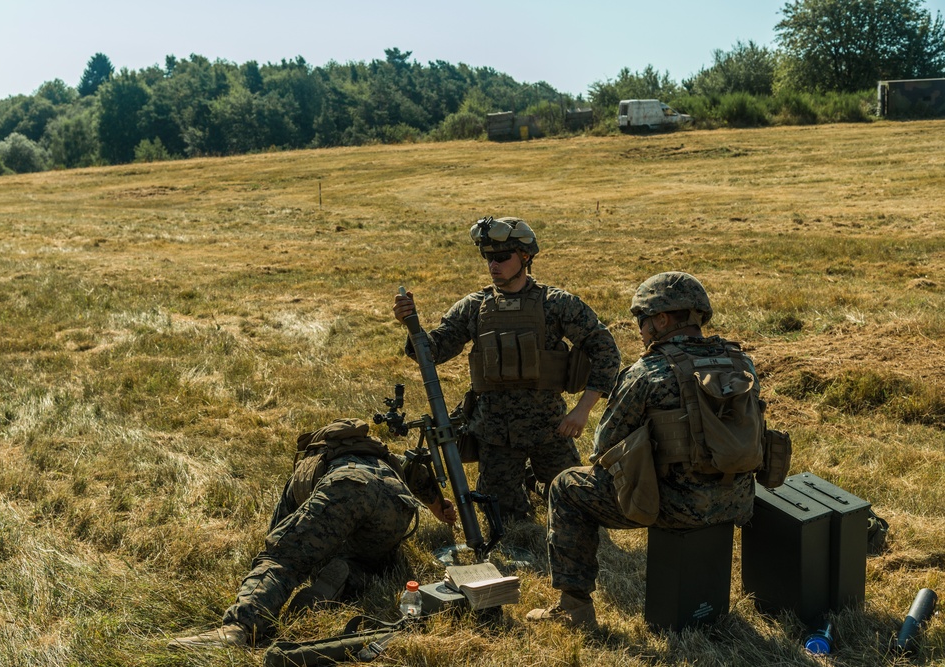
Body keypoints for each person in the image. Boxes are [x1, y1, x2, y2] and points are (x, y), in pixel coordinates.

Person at [527, 272, 763, 627]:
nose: (640, 329)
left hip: (671, 506)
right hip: (738, 503)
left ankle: (574, 609)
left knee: (566, 486)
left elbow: (603, 447)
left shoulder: (647, 371)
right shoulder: (742, 363)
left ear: (662, 320)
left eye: (642, 320)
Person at [393, 216, 620, 521]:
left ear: (525, 257)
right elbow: (433, 352)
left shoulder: (557, 304)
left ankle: (535, 484)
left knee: (577, 510)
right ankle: (528, 484)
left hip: (550, 429)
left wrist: (582, 410)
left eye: (501, 257)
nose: (493, 265)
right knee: (505, 520)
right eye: (488, 258)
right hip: (496, 434)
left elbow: (604, 348)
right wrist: (411, 325)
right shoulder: (474, 306)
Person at [169, 418, 456, 649]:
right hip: (398, 502)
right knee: (372, 561)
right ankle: (343, 576)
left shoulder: (312, 462)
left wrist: (277, 556)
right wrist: (437, 507)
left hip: (346, 487)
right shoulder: (380, 454)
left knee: (285, 557)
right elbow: (416, 473)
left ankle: (239, 627)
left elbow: (281, 539)